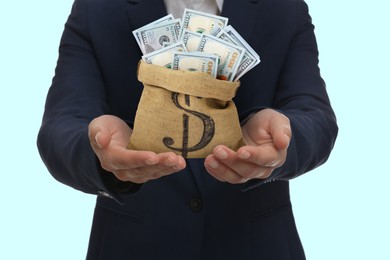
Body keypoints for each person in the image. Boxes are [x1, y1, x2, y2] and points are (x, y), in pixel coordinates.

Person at [37, 0, 338, 259]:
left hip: (257, 243)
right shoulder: (97, 8)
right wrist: (99, 152)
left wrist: (283, 140)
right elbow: (61, 126)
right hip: (132, 245)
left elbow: (315, 115)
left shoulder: (284, 7)